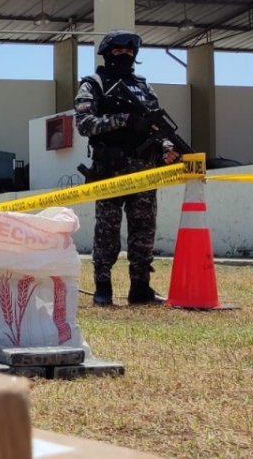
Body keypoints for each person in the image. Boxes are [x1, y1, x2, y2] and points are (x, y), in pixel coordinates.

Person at [74, 29, 179, 306]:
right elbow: (85, 125)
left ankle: (140, 288)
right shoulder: (92, 84)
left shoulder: (144, 87)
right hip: (110, 168)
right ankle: (103, 288)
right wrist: (124, 119)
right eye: (118, 51)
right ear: (107, 54)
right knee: (106, 232)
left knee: (144, 231)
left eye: (130, 52)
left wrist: (167, 147)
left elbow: (158, 125)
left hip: (144, 169)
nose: (125, 55)